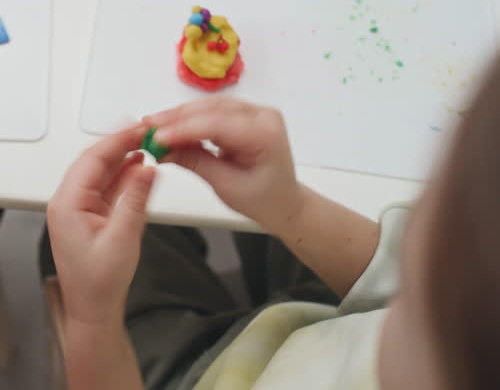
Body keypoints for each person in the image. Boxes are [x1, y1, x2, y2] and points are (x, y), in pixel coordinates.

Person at [44, 56, 500, 389]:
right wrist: (289, 207)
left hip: (208, 375)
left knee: (77, 234)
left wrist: (93, 316)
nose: (409, 225)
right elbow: (388, 284)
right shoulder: (445, 317)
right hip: (317, 325)